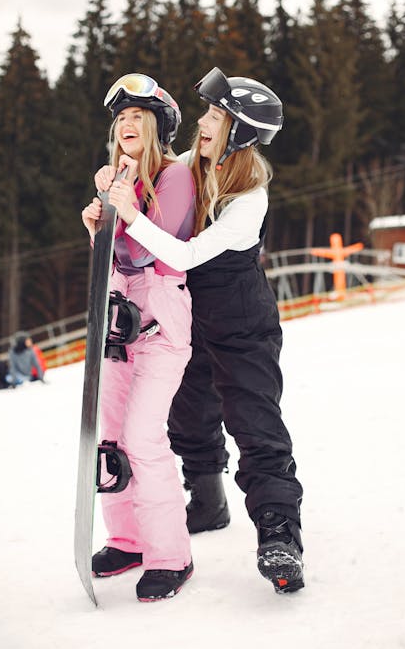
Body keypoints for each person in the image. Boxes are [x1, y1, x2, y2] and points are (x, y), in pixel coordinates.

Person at [97, 67, 304, 595]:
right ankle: (207, 501)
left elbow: (185, 253)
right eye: (208, 111)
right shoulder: (189, 166)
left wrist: (131, 216)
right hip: (183, 315)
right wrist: (117, 186)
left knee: (254, 422)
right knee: (188, 416)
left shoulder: (249, 196)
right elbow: (154, 179)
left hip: (240, 320)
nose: (204, 122)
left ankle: (279, 533)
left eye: (217, 115)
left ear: (243, 132)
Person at [81, 73, 195, 602]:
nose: (125, 124)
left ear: (156, 125)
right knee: (111, 435)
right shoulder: (117, 177)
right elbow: (118, 256)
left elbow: (158, 250)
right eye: (120, 117)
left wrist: (125, 208)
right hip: (119, 314)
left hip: (161, 317)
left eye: (136, 116)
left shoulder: (176, 176)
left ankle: (171, 554)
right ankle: (126, 539)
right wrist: (97, 225)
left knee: (145, 436)